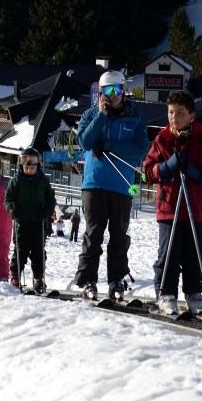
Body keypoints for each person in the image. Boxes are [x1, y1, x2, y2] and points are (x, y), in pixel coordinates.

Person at [142, 91, 202, 315]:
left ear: (191, 116)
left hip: (194, 207)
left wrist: (198, 173)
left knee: (195, 253)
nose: (174, 117)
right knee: (169, 251)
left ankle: (194, 292)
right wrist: (166, 167)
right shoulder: (162, 139)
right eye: (170, 112)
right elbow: (148, 172)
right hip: (170, 206)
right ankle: (165, 292)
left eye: (179, 113)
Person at [73, 71, 148, 301]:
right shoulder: (91, 114)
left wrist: (110, 145)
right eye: (107, 90)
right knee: (93, 235)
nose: (112, 95)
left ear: (123, 91)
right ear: (101, 92)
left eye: (116, 90)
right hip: (94, 184)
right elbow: (84, 141)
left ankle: (116, 279)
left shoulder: (135, 117)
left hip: (121, 186)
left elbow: (140, 150)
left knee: (118, 236)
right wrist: (101, 116)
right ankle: (88, 280)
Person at [4, 148, 57, 293]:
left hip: (39, 222)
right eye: (26, 166)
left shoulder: (42, 181)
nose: (29, 169)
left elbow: (51, 198)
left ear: (37, 166)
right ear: (21, 165)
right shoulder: (16, 181)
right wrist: (11, 209)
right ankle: (15, 275)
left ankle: (39, 277)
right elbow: (8, 198)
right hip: (22, 222)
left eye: (32, 167)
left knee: (38, 252)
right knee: (21, 250)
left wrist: (48, 210)